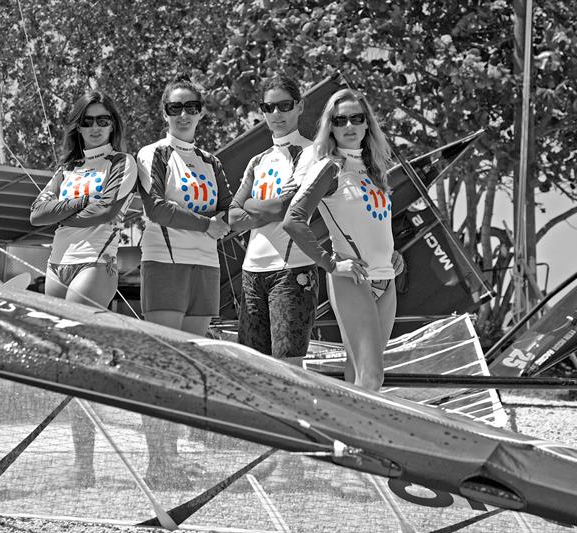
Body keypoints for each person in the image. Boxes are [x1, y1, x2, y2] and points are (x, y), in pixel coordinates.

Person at [30, 90, 138, 486]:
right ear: (77, 125)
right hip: (57, 265)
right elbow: (36, 214)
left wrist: (66, 210)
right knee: (65, 363)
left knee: (80, 354)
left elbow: (108, 209)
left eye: (103, 120)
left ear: (114, 125)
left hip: (97, 261)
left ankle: (86, 464)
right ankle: (84, 464)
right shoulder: (66, 169)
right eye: (87, 121)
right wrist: (81, 202)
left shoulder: (123, 162)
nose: (95, 128)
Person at [135, 76, 238, 489]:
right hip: (165, 262)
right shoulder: (153, 153)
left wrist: (221, 226)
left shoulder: (211, 161)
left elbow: (231, 210)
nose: (183, 115)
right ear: (164, 113)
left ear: (201, 112)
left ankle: (172, 458)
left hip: (206, 268)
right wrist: (207, 225)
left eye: (191, 106)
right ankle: (156, 462)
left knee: (190, 367)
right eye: (175, 108)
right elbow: (157, 208)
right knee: (162, 365)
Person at [283, 89, 404, 391]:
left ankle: (346, 439)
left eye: (356, 119)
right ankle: (361, 438)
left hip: (386, 280)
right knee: (373, 377)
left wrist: (393, 252)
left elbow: (374, 223)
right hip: (353, 281)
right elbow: (293, 220)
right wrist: (331, 263)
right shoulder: (330, 168)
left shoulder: (376, 170)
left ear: (367, 124)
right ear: (331, 127)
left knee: (359, 377)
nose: (349, 126)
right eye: (340, 121)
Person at [228, 75, 318, 359]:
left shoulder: (312, 153)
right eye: (269, 107)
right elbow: (231, 215)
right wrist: (261, 208)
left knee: (288, 368)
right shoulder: (258, 160)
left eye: (284, 105)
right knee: (254, 368)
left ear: (299, 107)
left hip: (293, 271)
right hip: (251, 272)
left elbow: (286, 209)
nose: (277, 114)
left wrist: (251, 204)